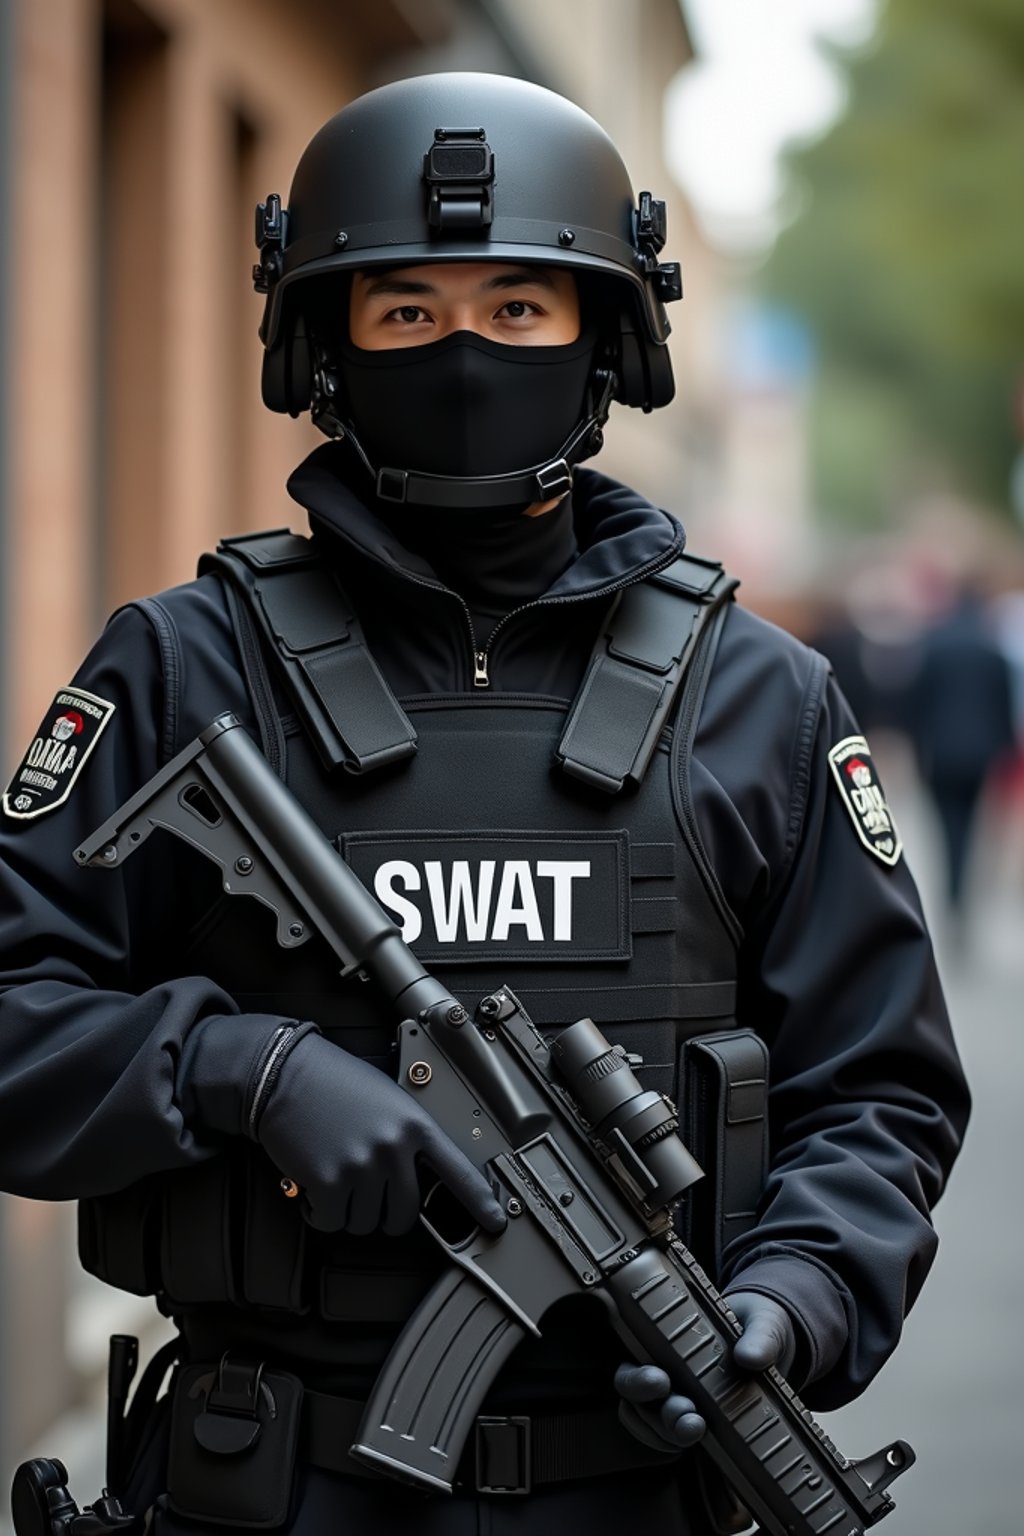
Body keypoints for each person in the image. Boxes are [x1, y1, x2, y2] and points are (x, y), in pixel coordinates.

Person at [0, 73, 969, 1536]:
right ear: (328, 338)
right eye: (407, 311)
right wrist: (235, 1070)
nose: (463, 352)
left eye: (520, 307)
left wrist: (799, 1296)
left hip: (635, 1494)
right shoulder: (182, 666)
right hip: (268, 1483)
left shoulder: (760, 695)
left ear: (604, 340)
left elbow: (880, 1087)